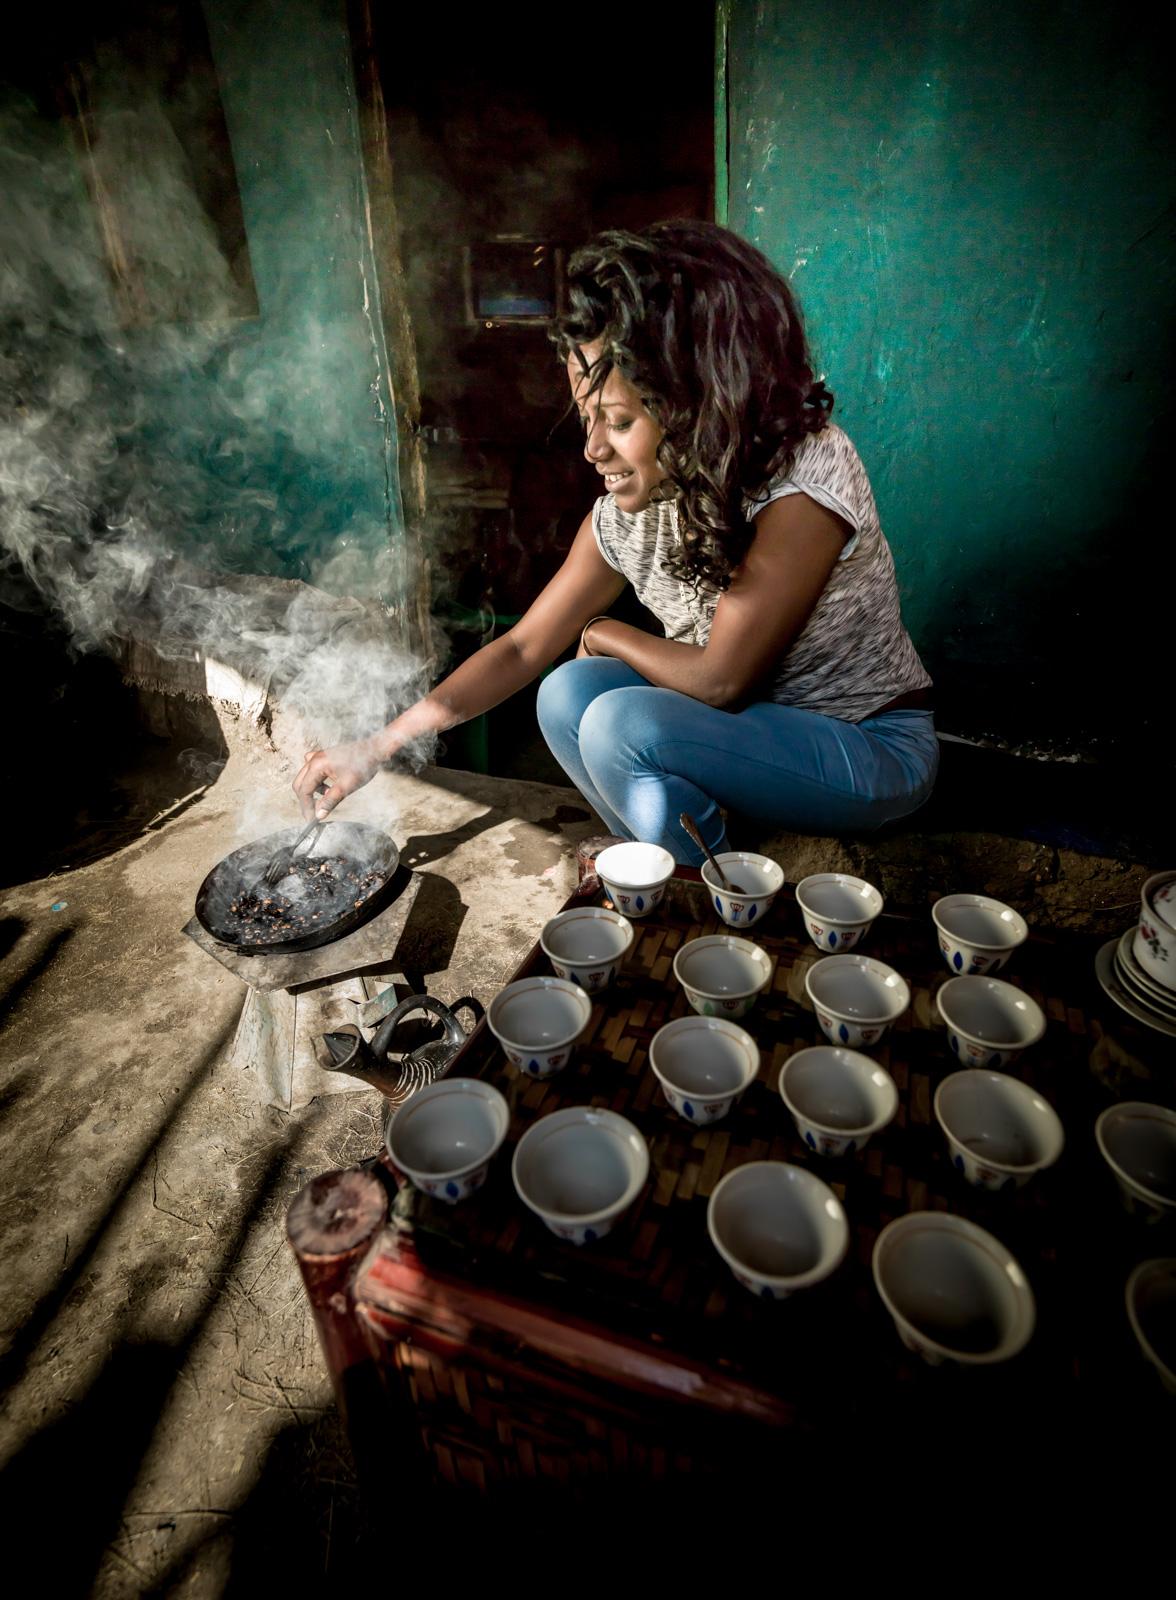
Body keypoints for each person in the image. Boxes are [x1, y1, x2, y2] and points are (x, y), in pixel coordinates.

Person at [294, 220, 937, 864]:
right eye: (587, 418)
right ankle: (665, 864)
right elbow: (522, 648)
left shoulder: (799, 478)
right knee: (565, 693)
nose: (592, 448)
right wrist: (374, 747)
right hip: (747, 743)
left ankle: (707, 896)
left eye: (621, 421)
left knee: (619, 722)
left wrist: (606, 630)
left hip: (867, 747)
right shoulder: (632, 514)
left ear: (698, 401)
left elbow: (721, 682)